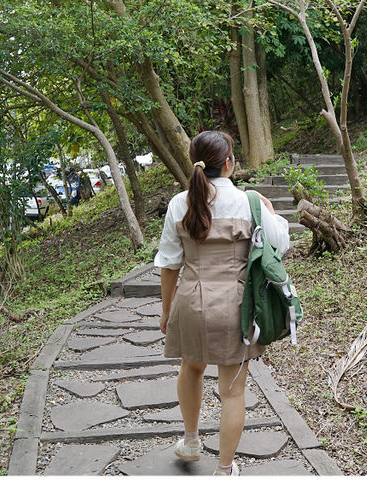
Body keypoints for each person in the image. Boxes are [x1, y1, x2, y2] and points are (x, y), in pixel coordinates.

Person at [154, 130, 290, 475]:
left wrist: (166, 311)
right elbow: (279, 248)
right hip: (236, 305)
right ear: (229, 163)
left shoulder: (178, 203)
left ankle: (190, 440)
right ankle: (225, 471)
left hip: (191, 302)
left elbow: (169, 264)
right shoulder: (250, 202)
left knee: (192, 367)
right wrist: (270, 211)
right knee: (232, 391)